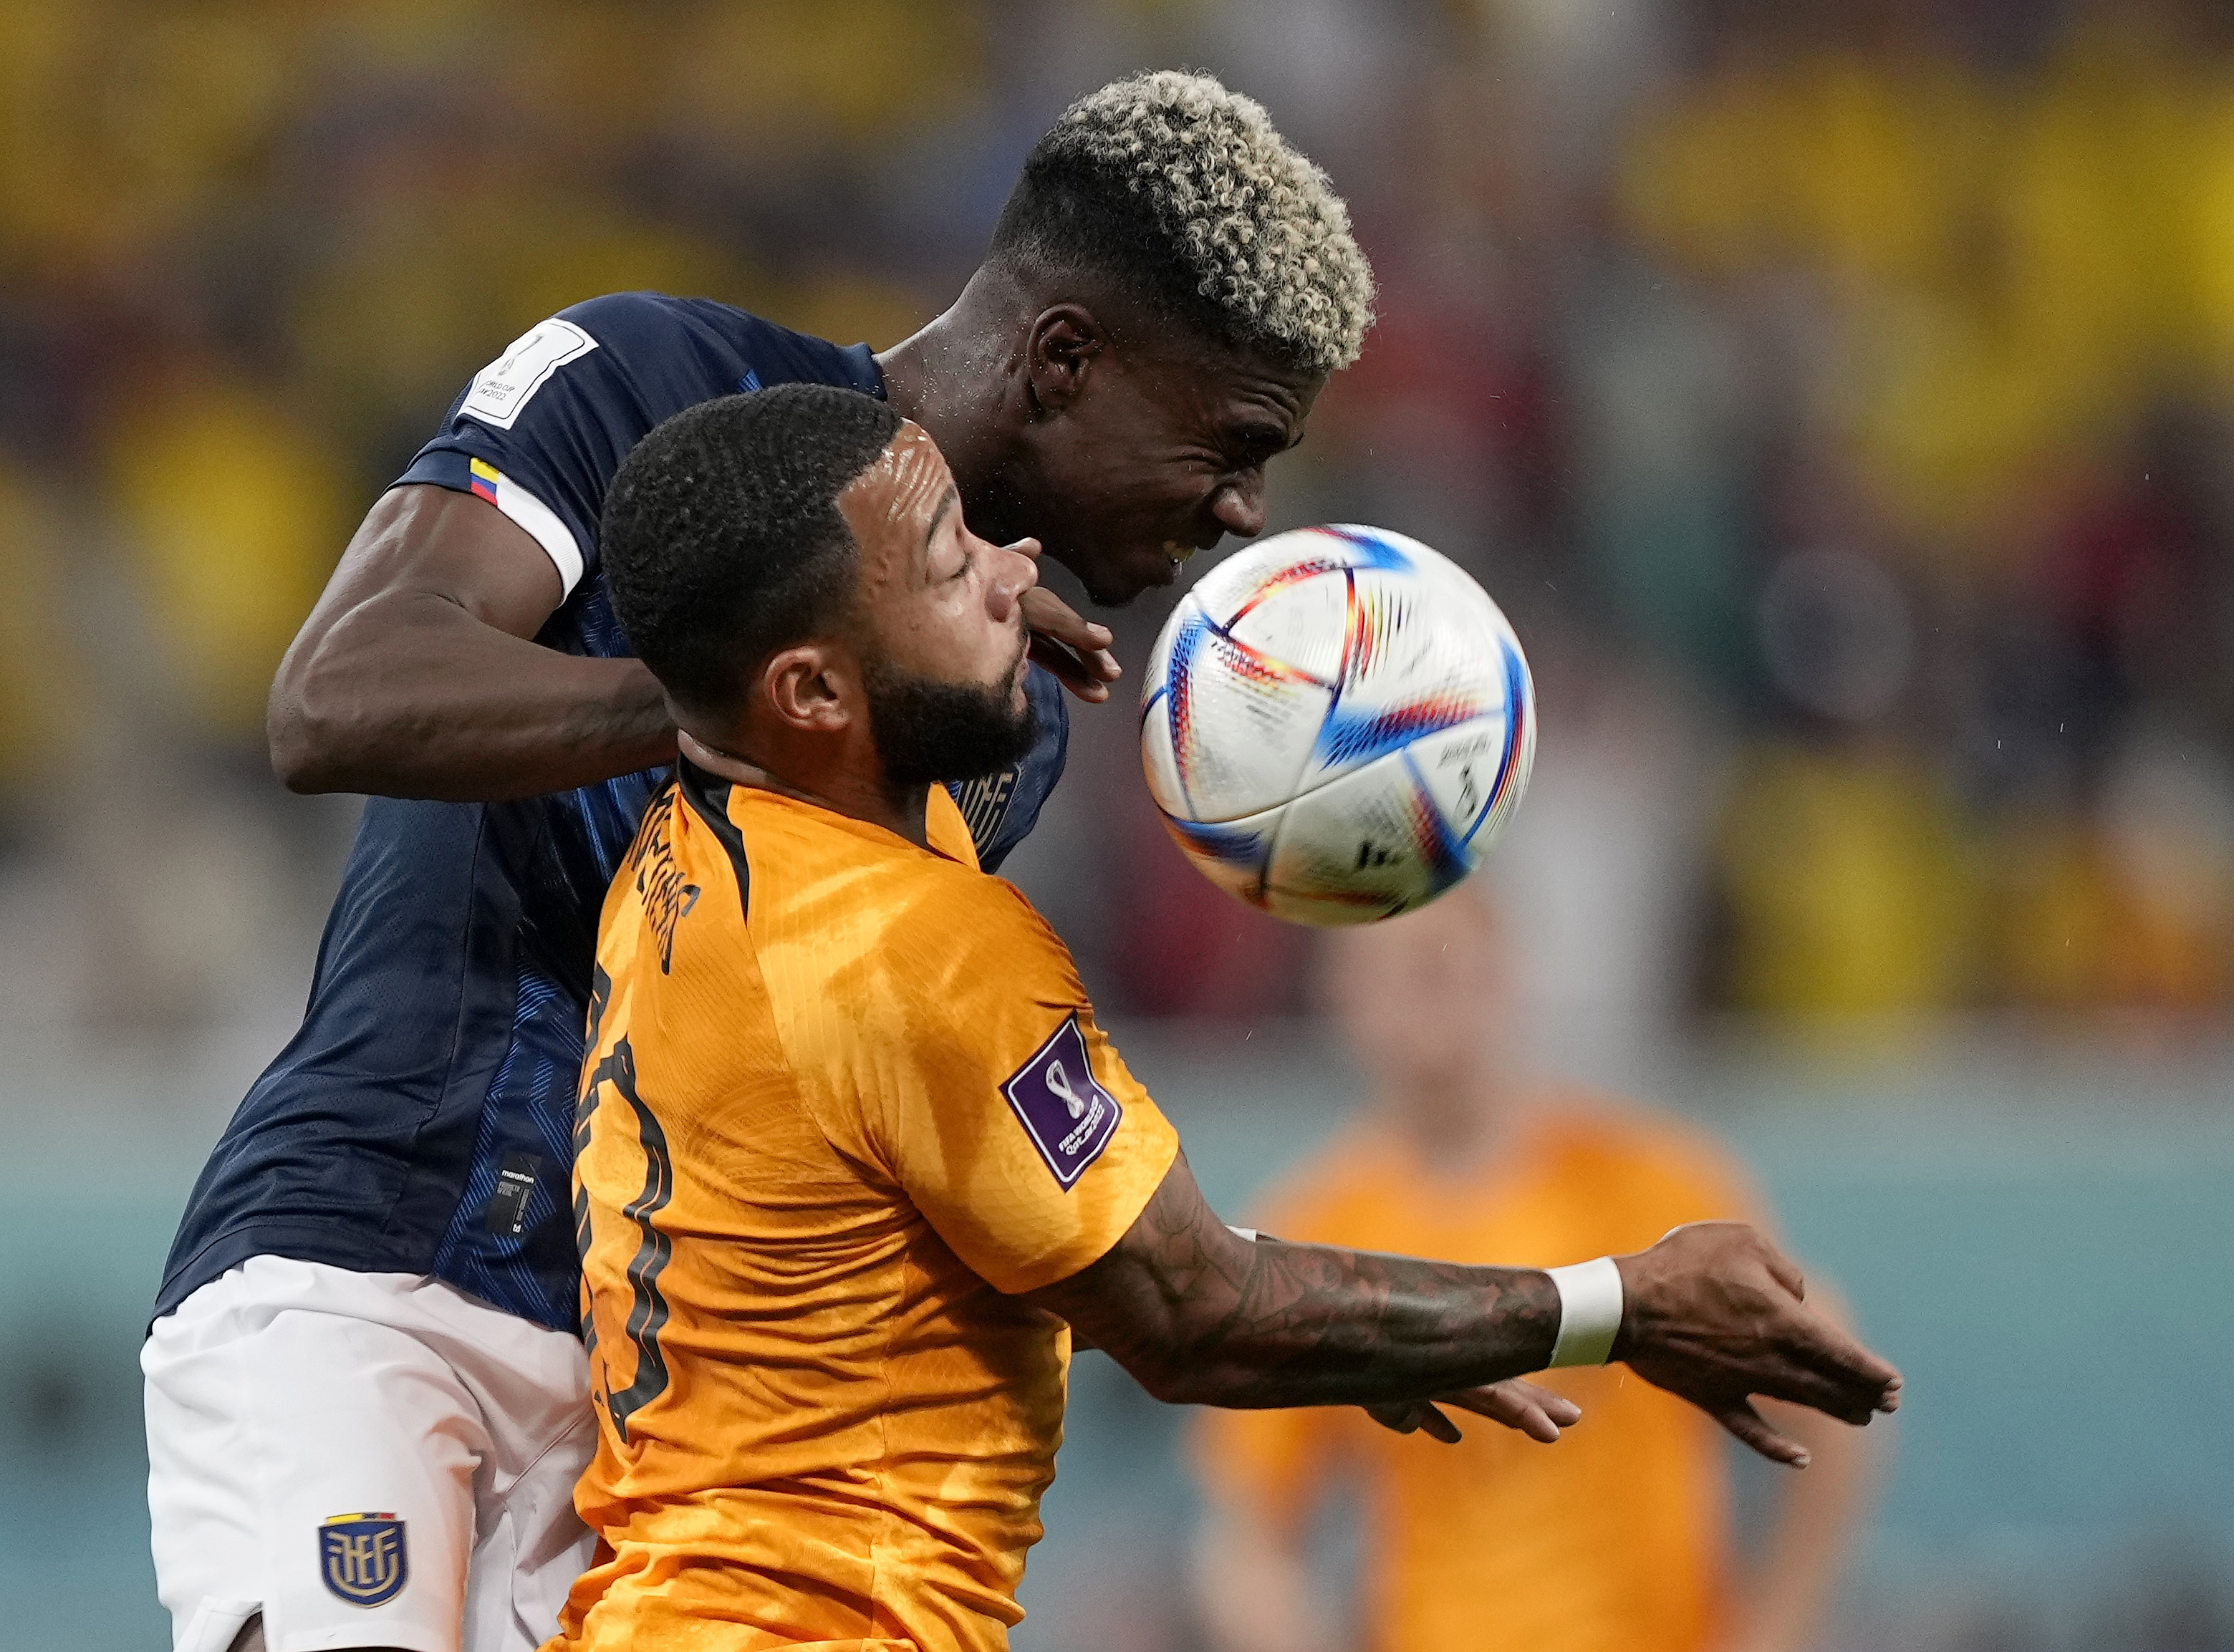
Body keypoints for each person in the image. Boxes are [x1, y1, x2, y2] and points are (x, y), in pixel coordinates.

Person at [143, 72, 1378, 1652]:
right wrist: (748, 675)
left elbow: (887, 1083)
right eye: (1225, 441)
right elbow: (339, 692)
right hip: (373, 1258)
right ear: (1066, 360)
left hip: (655, 1422)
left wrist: (1235, 1284)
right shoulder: (646, 376)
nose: (1240, 505)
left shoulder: (1008, 724)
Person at [559, 380, 1900, 1651]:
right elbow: (1187, 1310)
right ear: (811, 693)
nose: (1020, 572)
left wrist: (1348, 1319)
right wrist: (1622, 1303)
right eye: (949, 564)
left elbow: (1040, 1254)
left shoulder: (690, 856)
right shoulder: (918, 950)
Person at [1190, 887, 1884, 1652]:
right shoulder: (1314, 1232)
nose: (1421, 1000)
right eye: (1388, 972)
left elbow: (1828, 1394)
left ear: (1506, 975)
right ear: (1338, 997)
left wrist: (1767, 1635)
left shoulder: (1653, 1190)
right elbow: (1248, 1537)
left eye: (1440, 967)